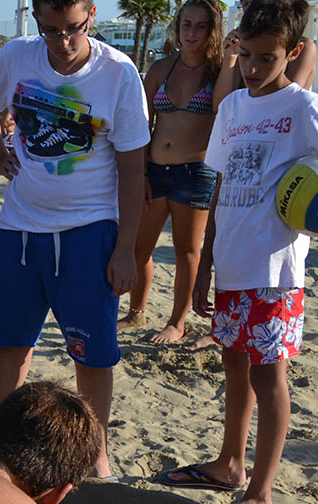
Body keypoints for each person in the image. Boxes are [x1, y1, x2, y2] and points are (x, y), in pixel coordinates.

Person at [160, 0, 318, 504]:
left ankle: (262, 493)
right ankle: (230, 464)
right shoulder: (233, 107)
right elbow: (218, 187)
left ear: (295, 52)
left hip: (274, 270)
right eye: (246, 57)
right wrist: (207, 260)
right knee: (233, 367)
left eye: (268, 58)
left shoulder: (303, 108)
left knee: (269, 378)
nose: (255, 69)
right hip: (233, 262)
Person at [0, 0, 148, 479]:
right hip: (19, 228)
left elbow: (133, 168)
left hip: (90, 230)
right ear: (36, 19)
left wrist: (126, 249)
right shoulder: (17, 56)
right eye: (50, 30)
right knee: (13, 345)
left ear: (91, 13)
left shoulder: (118, 73)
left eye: (73, 29)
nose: (62, 43)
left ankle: (96, 456)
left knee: (90, 355)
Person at [118, 0, 223, 344]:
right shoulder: (160, 68)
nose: (191, 33)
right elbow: (140, 122)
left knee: (187, 251)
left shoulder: (220, 70)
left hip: (197, 171)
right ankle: (137, 312)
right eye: (186, 24)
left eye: (200, 26)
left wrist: (233, 61)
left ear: (212, 30)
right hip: (155, 170)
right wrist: (142, 171)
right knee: (138, 247)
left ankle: (177, 322)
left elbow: (226, 113)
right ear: (177, 26)